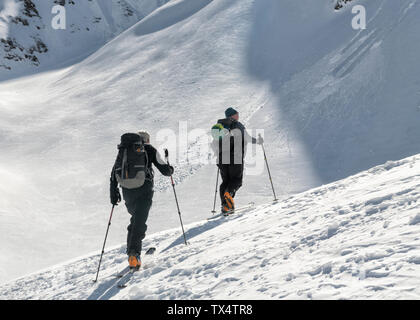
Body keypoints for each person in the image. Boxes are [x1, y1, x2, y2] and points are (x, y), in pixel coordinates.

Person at [110, 131, 173, 270]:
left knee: (135, 219)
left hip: (127, 191)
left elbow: (114, 172)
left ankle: (132, 253)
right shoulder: (149, 149)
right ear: (147, 140)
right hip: (144, 189)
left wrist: (113, 194)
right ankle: (134, 254)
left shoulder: (124, 151)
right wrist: (170, 168)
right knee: (139, 222)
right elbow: (165, 170)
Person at [212, 107, 263, 214]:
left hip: (222, 159)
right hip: (235, 157)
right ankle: (228, 197)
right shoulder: (237, 125)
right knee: (236, 180)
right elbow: (247, 138)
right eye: (236, 114)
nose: (238, 115)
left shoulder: (220, 127)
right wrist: (258, 141)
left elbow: (214, 144)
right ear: (232, 115)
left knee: (225, 182)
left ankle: (225, 206)